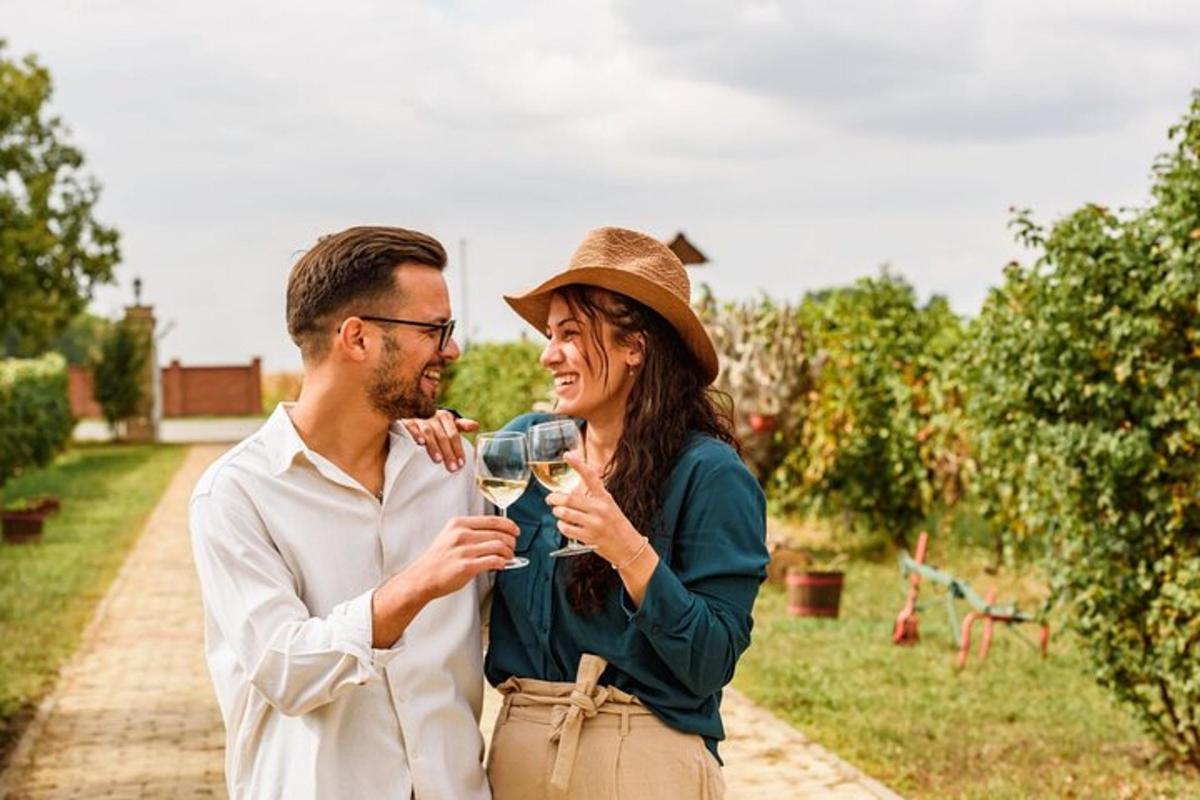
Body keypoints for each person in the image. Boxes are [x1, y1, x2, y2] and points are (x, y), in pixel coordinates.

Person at [405, 226, 769, 799]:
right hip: (521, 753)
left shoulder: (711, 476)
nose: (549, 355)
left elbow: (710, 662)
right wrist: (425, 432)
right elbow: (433, 494)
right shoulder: (530, 445)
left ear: (635, 348)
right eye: (550, 335)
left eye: (570, 334)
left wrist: (629, 551)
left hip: (644, 760)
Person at [189, 226, 518, 799]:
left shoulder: (452, 469)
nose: (452, 350)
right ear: (358, 338)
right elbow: (286, 671)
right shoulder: (236, 494)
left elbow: (517, 615)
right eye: (434, 329)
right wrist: (415, 586)